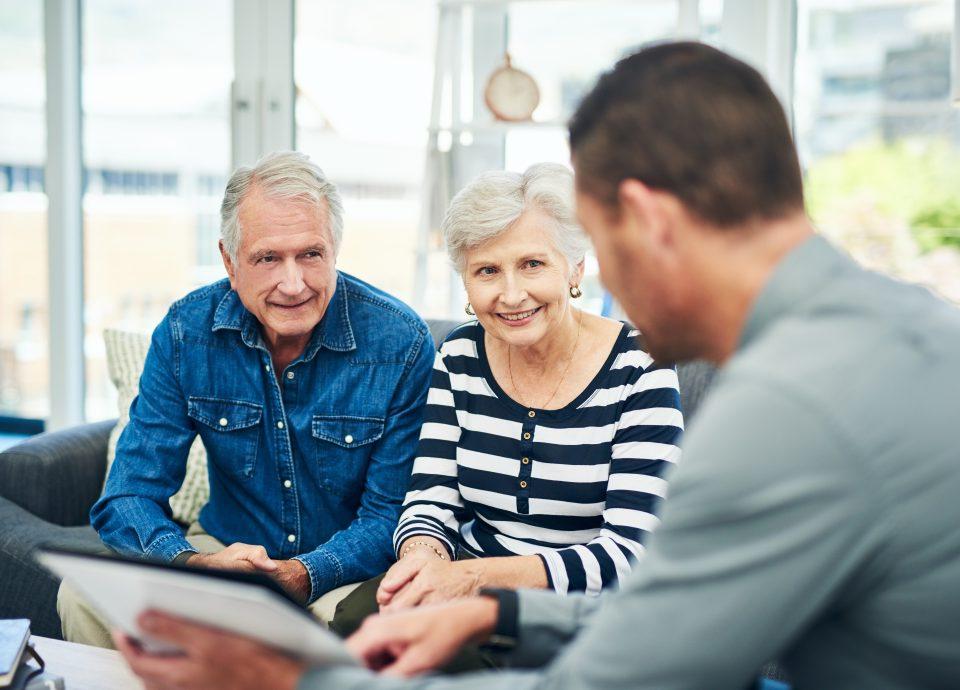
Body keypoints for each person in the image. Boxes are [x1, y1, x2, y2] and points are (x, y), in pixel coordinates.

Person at [115, 42, 960, 690]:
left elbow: (617, 674)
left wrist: (292, 677)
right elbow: (659, 615)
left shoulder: (778, 412)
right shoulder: (904, 328)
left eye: (583, 245)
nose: (584, 286)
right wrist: (497, 608)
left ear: (644, 219)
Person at [58, 150, 435, 648]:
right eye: (267, 259)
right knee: (81, 594)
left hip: (343, 572)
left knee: (338, 633)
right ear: (230, 261)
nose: (294, 283)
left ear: (335, 250)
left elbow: (391, 515)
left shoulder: (400, 342)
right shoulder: (185, 333)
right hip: (221, 551)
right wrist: (194, 565)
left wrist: (304, 572)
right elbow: (128, 495)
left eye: (311, 254)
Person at [329, 163, 683, 640]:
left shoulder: (643, 364)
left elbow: (630, 552)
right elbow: (430, 497)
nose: (512, 295)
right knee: (358, 627)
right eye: (488, 271)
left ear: (575, 267)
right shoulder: (460, 353)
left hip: (579, 610)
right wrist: (424, 560)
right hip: (463, 581)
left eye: (532, 264)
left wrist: (476, 578)